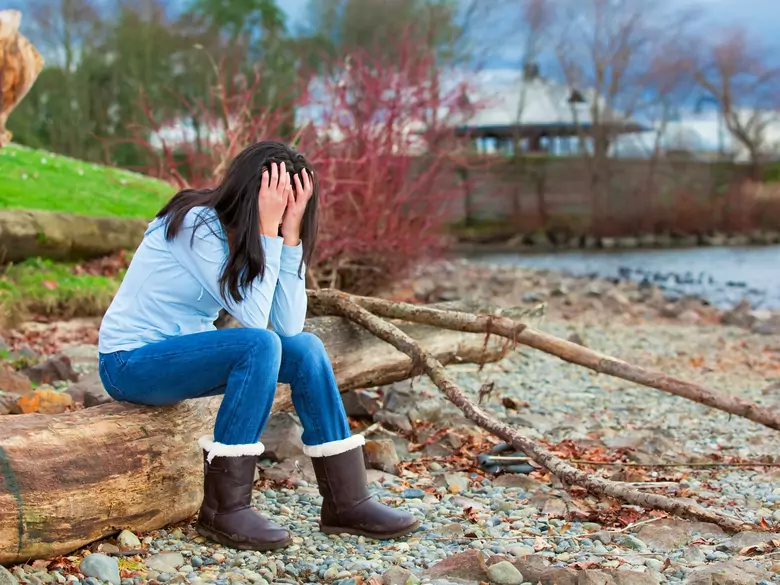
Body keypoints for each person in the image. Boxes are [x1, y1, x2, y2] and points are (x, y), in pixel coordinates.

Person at [97, 141, 419, 551]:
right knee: (258, 344)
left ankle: (347, 502)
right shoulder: (198, 225)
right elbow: (254, 319)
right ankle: (224, 509)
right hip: (129, 363)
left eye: (294, 203)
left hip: (185, 357)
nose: (285, 209)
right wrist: (268, 230)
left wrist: (290, 236)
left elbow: (288, 325)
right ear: (254, 193)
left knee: (305, 349)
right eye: (278, 200)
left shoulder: (256, 234)